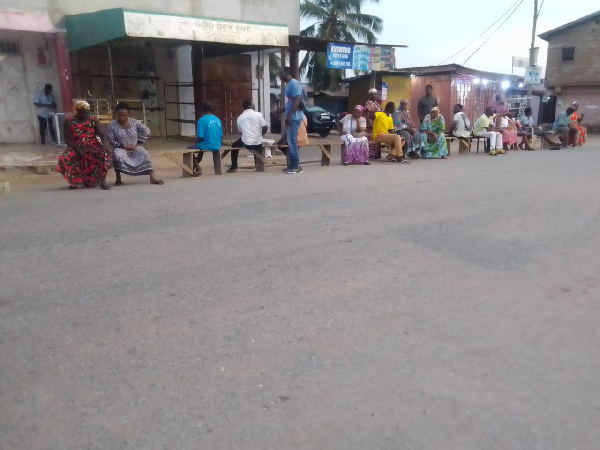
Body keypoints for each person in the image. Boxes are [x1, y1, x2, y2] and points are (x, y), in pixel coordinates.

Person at [56, 101, 111, 190]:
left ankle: (103, 181)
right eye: (83, 112)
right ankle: (75, 182)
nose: (85, 114)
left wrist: (104, 145)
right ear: (77, 111)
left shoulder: (93, 119)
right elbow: (67, 139)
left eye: (87, 112)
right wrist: (76, 148)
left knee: (104, 154)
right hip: (76, 146)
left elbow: (102, 134)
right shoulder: (69, 121)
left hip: (92, 144)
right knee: (64, 158)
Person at [107, 103, 163, 185]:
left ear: (128, 114)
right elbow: (110, 140)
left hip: (134, 147)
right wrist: (123, 146)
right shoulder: (112, 124)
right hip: (121, 148)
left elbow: (147, 130)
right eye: (120, 115)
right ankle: (118, 178)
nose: (122, 118)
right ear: (117, 114)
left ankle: (152, 177)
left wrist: (138, 144)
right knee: (117, 154)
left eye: (124, 115)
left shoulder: (134, 122)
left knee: (145, 153)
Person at [229, 100, 268, 173]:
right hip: (258, 142)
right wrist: (259, 136)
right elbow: (265, 127)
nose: (254, 106)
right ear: (249, 106)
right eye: (253, 104)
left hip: (246, 142)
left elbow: (241, 131)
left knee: (234, 145)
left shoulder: (240, 117)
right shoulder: (258, 115)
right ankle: (258, 165)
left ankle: (234, 167)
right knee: (257, 148)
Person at [278, 67, 304, 174]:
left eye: (281, 73)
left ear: (287, 73)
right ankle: (292, 165)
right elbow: (291, 102)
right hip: (291, 116)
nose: (279, 76)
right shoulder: (289, 84)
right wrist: (282, 110)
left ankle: (296, 166)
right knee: (290, 141)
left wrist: (289, 116)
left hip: (295, 117)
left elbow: (297, 99)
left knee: (292, 142)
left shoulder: (294, 83)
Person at [193, 102, 223, 175]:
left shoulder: (201, 120)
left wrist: (196, 143)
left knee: (189, 149)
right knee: (206, 151)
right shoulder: (218, 119)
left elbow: (200, 138)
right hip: (217, 144)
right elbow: (221, 135)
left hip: (206, 145)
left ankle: (198, 168)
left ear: (202, 110)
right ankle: (218, 171)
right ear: (212, 109)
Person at [364, 88, 383, 159]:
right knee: (372, 139)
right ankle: (370, 155)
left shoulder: (377, 103)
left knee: (377, 138)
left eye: (377, 94)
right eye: (374, 94)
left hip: (377, 123)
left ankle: (376, 155)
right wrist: (370, 123)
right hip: (371, 124)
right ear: (370, 95)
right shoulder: (368, 103)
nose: (376, 96)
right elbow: (368, 114)